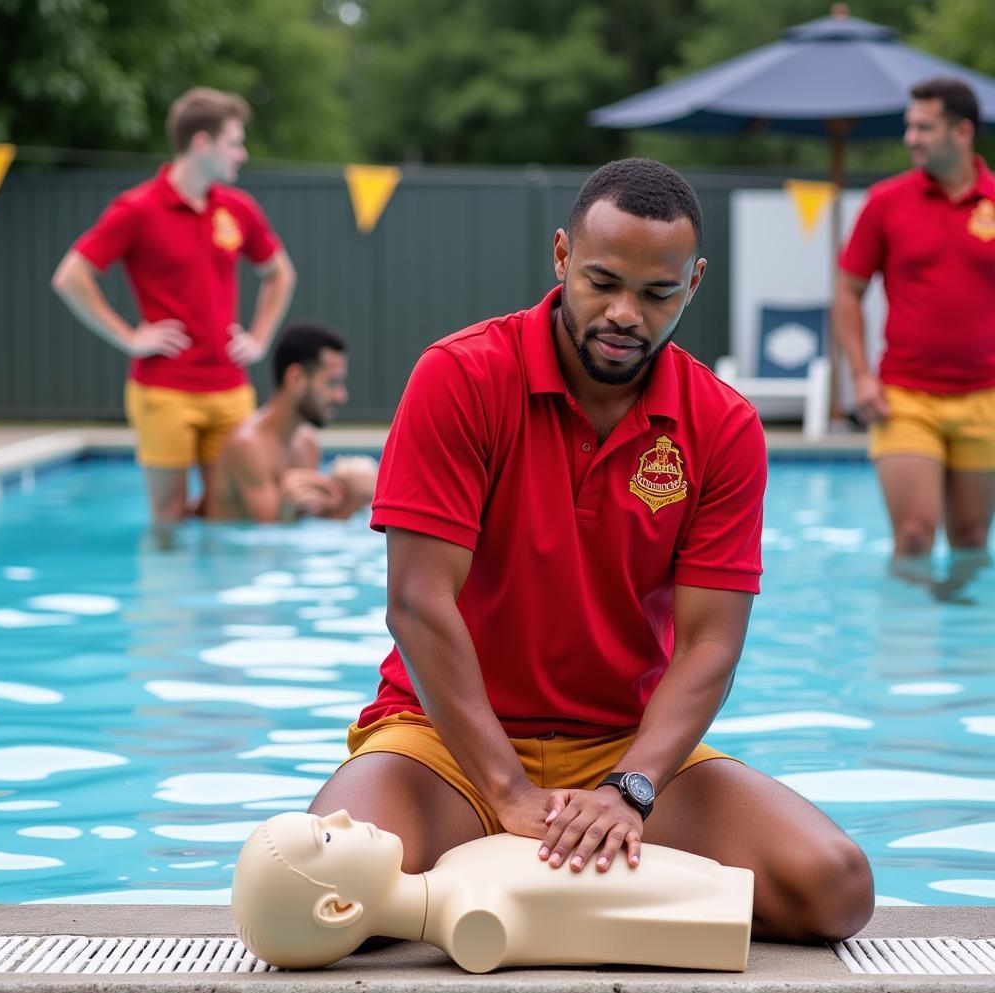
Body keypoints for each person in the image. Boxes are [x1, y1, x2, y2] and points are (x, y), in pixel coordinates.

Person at [310, 158, 874, 945]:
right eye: (602, 281)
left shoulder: (723, 426)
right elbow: (417, 600)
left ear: (695, 282)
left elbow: (712, 640)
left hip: (621, 744)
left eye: (657, 294)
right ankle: (523, 871)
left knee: (834, 890)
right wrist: (505, 789)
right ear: (561, 256)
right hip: (442, 742)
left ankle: (506, 887)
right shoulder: (461, 377)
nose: (625, 315)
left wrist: (630, 789)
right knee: (322, 890)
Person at [52, 86, 296, 525]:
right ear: (201, 143)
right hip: (163, 391)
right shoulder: (137, 209)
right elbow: (71, 277)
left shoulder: (238, 209)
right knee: (168, 519)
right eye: (234, 143)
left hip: (230, 389)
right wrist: (128, 337)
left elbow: (280, 274)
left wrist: (259, 339)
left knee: (230, 514)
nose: (241, 154)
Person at [232, 810, 754, 972]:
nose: (343, 816)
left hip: (709, 884)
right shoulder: (473, 924)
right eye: (324, 835)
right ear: (340, 908)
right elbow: (606, 924)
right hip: (708, 902)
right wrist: (717, 910)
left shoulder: (454, 866)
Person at [835, 78, 995, 565]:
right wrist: (861, 376)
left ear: (962, 131)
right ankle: (907, 642)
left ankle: (963, 642)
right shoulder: (886, 202)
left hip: (986, 396)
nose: (911, 138)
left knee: (970, 541)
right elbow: (847, 292)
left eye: (924, 127)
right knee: (913, 537)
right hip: (905, 396)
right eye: (910, 126)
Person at [207, 322, 378, 522]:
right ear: (296, 378)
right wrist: (287, 506)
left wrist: (351, 499)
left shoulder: (306, 443)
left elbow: (306, 524)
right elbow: (269, 539)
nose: (341, 396)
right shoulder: (247, 445)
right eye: (332, 383)